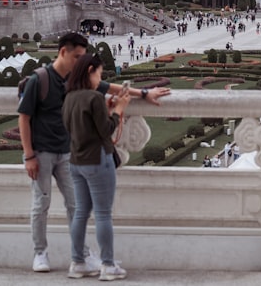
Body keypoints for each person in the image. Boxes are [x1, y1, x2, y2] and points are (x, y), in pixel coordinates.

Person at [17, 32, 170, 274]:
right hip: (44, 151)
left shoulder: (76, 82)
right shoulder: (41, 80)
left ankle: (80, 257)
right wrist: (29, 155)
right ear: (63, 52)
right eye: (77, 56)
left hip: (70, 153)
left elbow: (106, 86)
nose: (81, 62)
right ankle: (41, 253)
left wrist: (142, 93)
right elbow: (23, 118)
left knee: (75, 207)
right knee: (42, 204)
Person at [61, 53, 131, 281]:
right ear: (90, 70)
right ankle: (108, 265)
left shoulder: (70, 96)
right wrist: (119, 108)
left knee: (81, 212)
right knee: (103, 214)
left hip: (76, 161)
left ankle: (77, 261)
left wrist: (107, 108)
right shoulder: (93, 98)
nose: (100, 78)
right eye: (99, 73)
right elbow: (106, 129)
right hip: (97, 159)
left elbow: (82, 125)